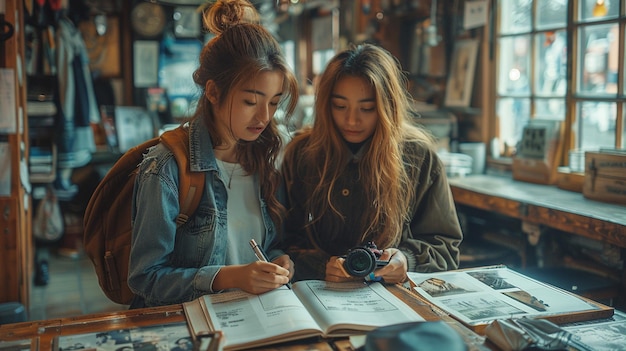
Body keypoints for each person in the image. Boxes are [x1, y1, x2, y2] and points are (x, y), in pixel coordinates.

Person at [128, 0, 298, 308]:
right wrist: (227, 277)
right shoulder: (166, 167)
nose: (264, 117)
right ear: (213, 91)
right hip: (190, 324)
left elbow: (266, 245)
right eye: (251, 101)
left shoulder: (266, 158)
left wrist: (278, 259)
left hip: (255, 317)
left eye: (274, 102)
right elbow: (145, 279)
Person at [281, 43, 463, 284]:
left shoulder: (418, 157)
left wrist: (407, 260)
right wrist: (321, 265)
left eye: (367, 108)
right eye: (340, 106)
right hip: (317, 293)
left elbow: (446, 249)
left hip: (393, 299)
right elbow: (280, 243)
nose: (352, 120)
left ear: (387, 107)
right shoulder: (303, 153)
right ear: (326, 105)